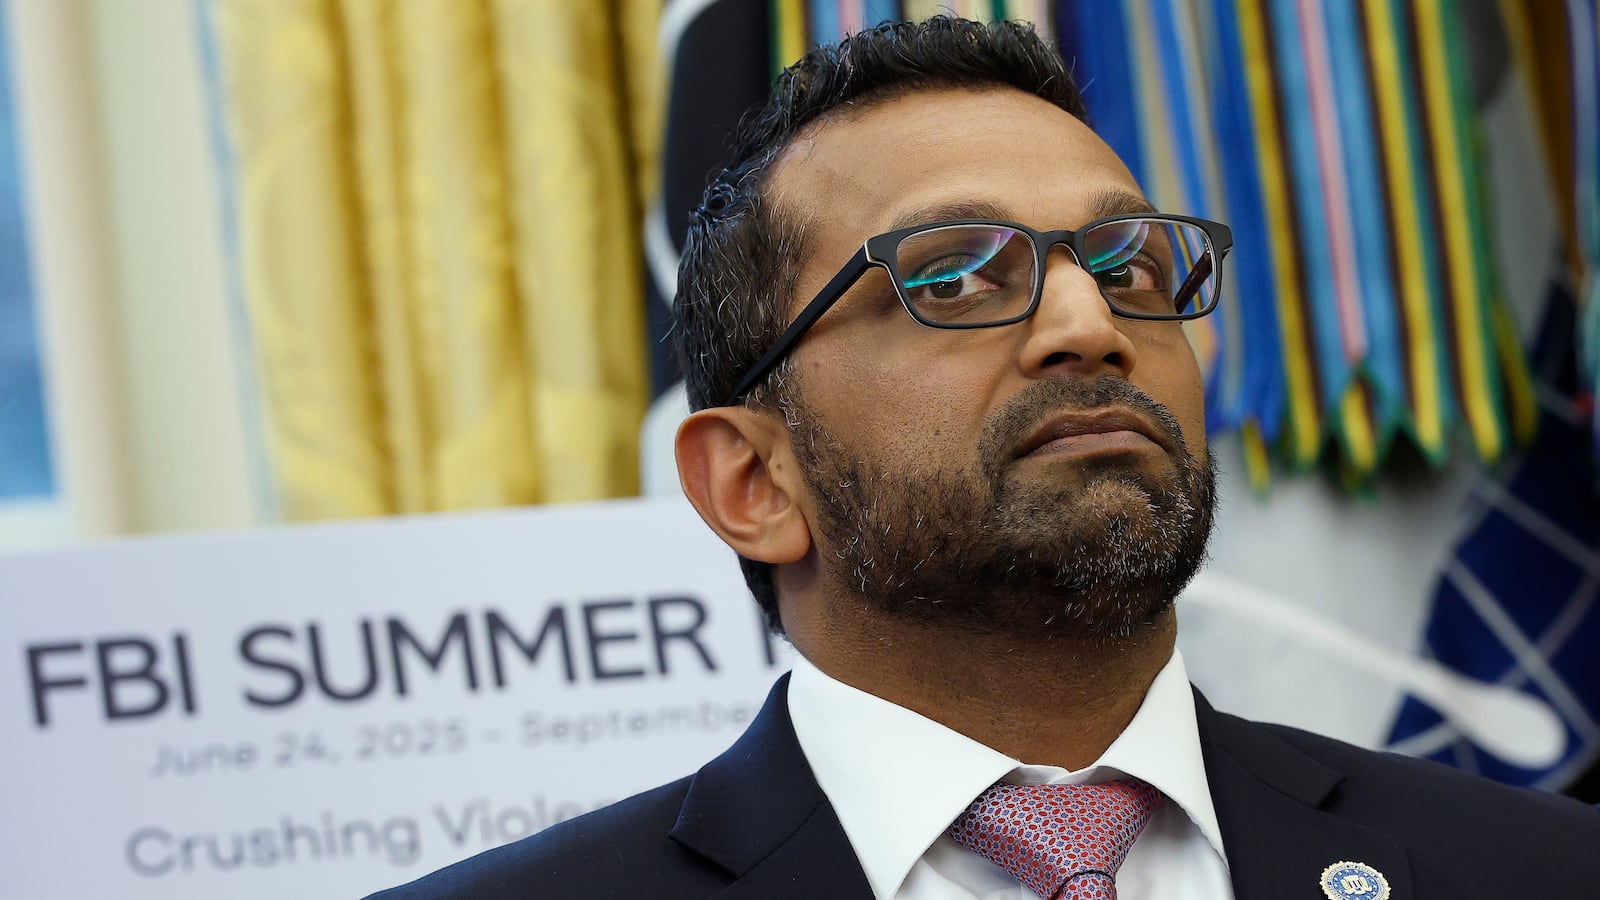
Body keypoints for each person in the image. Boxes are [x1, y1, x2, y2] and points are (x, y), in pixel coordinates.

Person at [368, 16, 1600, 900]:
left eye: (1130, 266)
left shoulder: (1540, 870)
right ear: (753, 482)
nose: (1090, 327)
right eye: (956, 276)